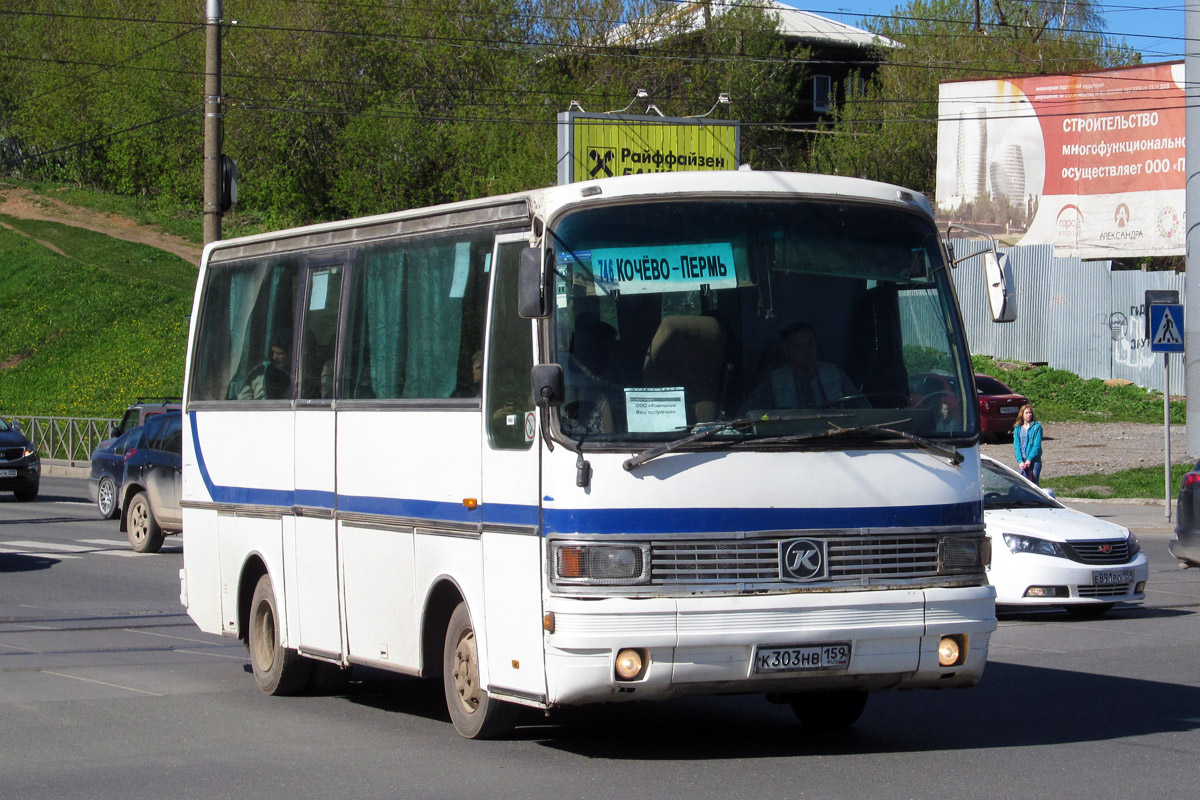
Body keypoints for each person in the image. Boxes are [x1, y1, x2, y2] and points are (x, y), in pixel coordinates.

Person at [742, 321, 859, 411]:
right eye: (800, 345)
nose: (807, 350)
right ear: (787, 351)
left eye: (810, 343)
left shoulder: (835, 375)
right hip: (790, 441)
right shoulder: (774, 382)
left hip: (836, 440)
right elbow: (748, 418)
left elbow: (865, 412)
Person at [239, 330, 292, 400]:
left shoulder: (302, 379)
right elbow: (243, 401)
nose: (274, 357)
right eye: (273, 352)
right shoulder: (260, 374)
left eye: (279, 353)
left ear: (291, 354)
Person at [1013, 403, 1043, 484]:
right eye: (1026, 413)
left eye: (1030, 413)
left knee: (1034, 484)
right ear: (1022, 414)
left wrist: (1029, 459)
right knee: (1024, 484)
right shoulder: (1018, 428)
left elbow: (1036, 445)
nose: (1029, 415)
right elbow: (1016, 445)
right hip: (1023, 460)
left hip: (1034, 460)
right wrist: (1020, 461)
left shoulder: (1037, 427)